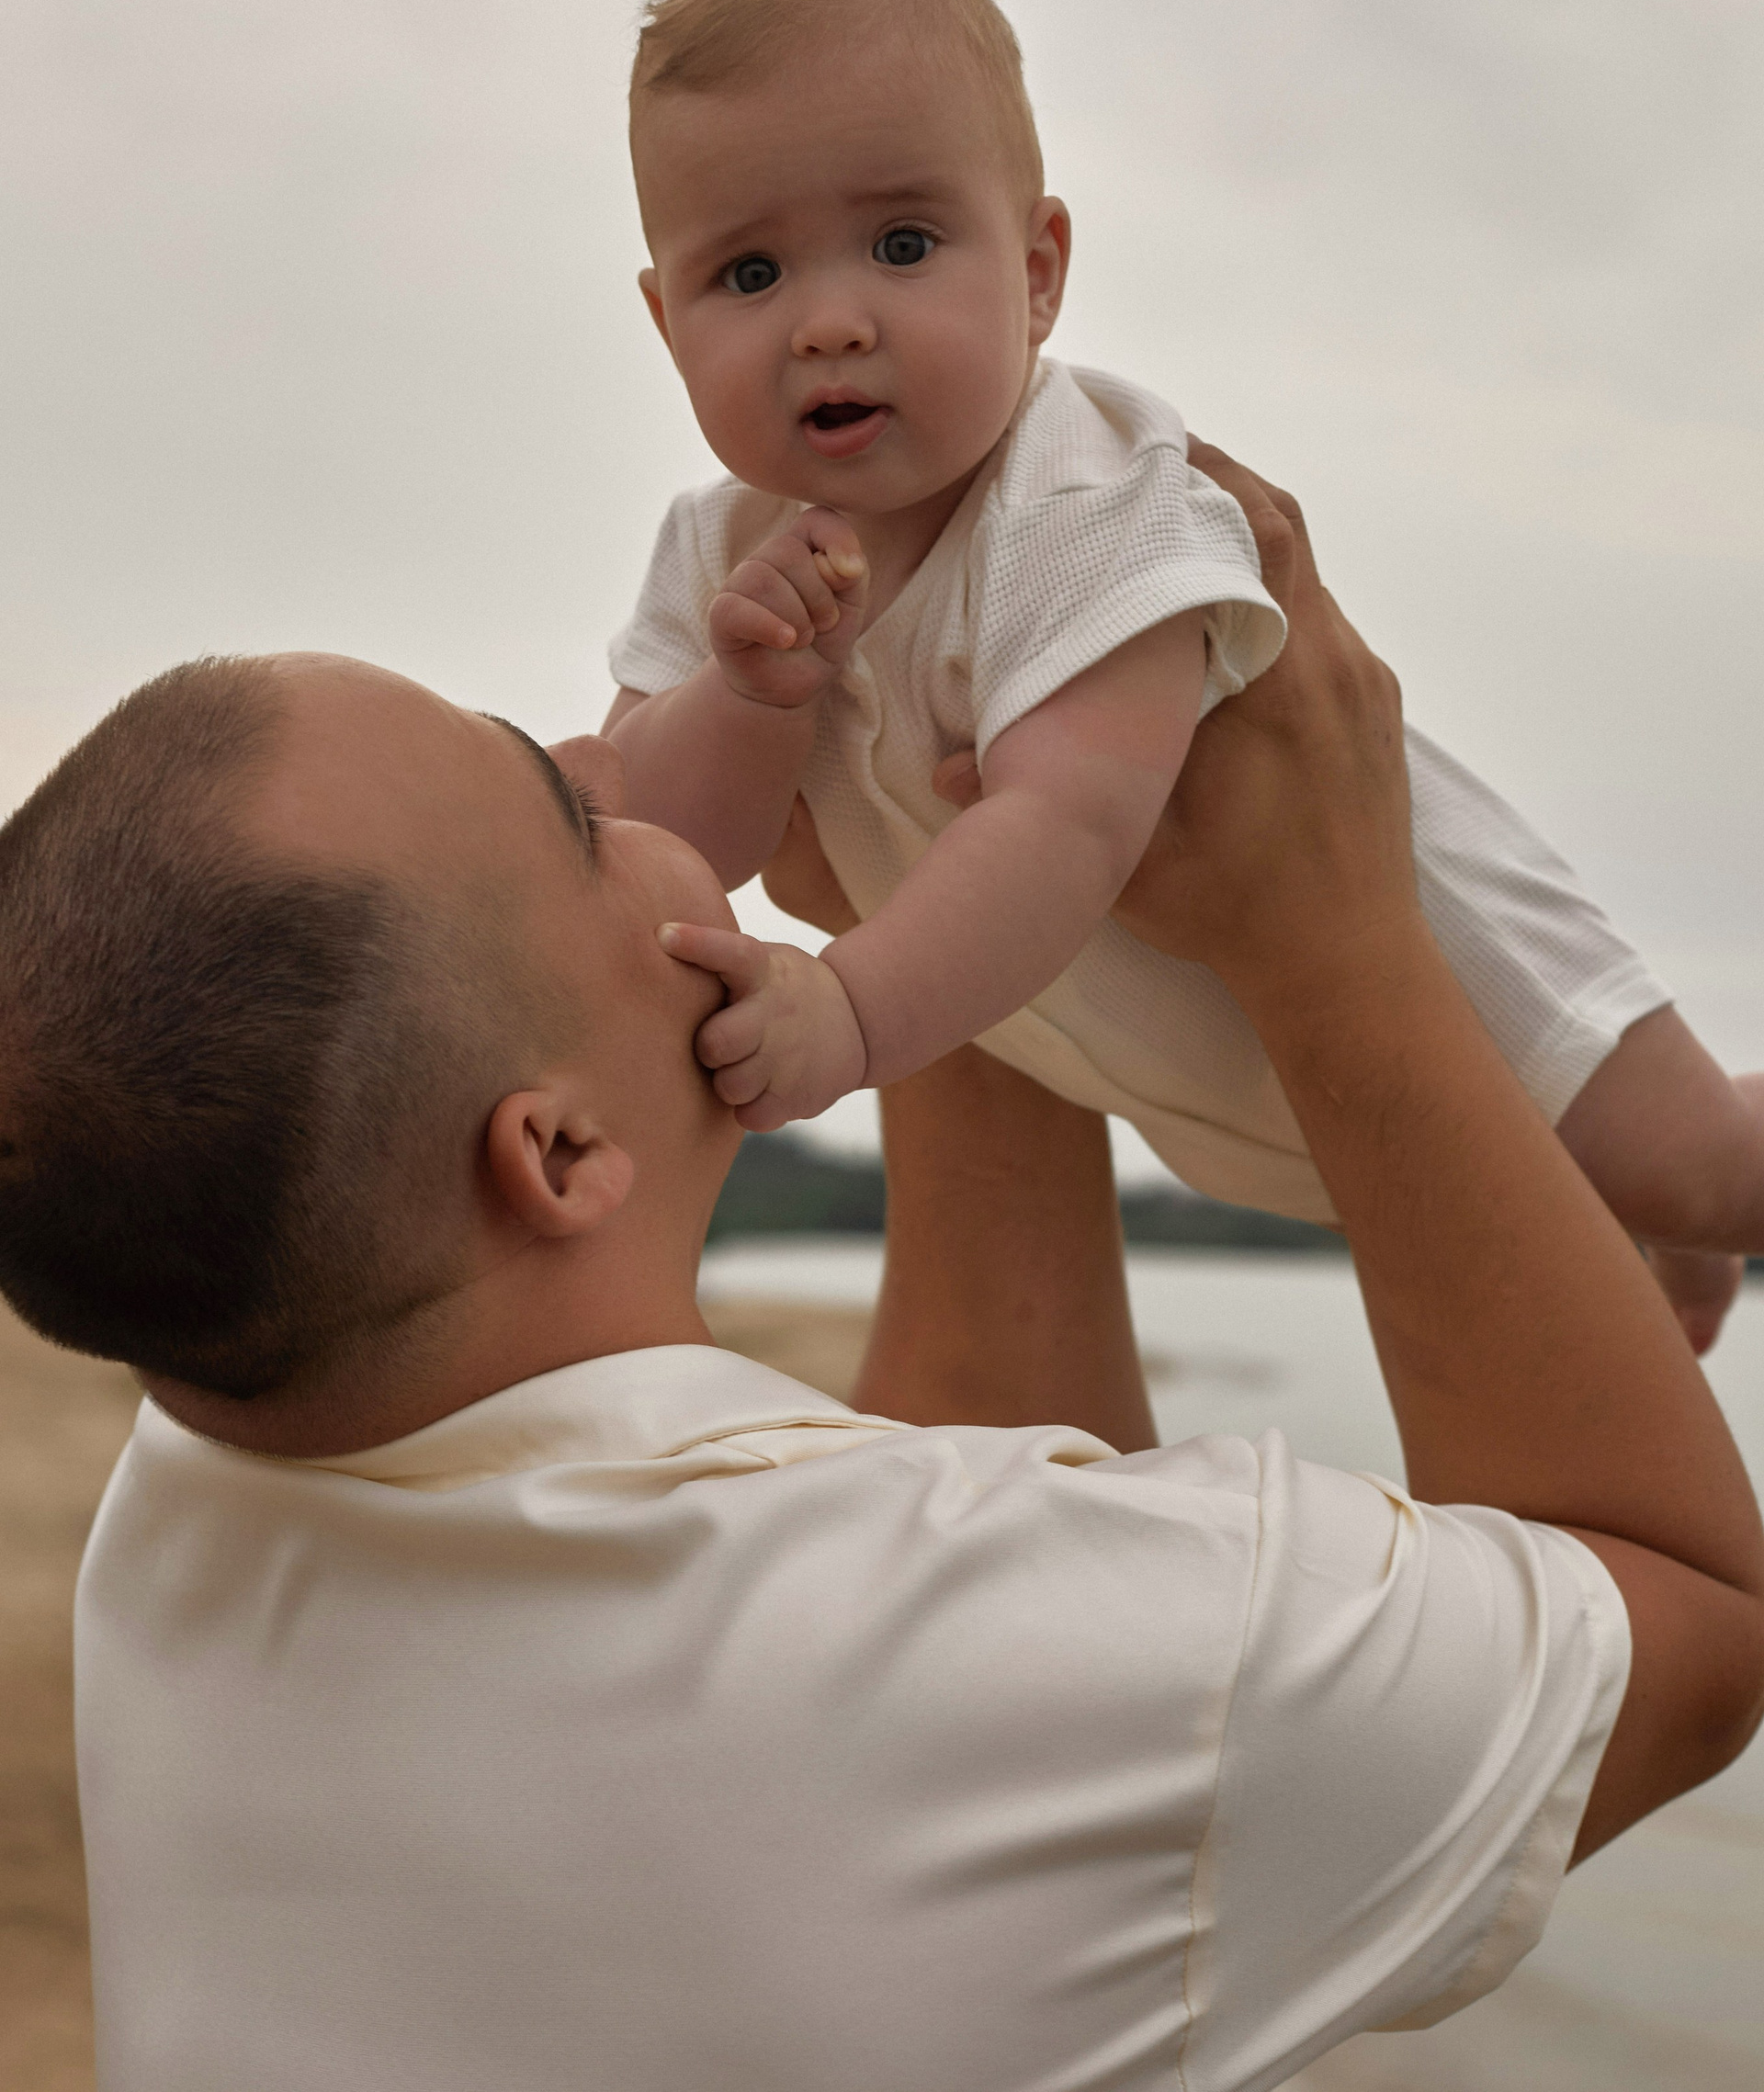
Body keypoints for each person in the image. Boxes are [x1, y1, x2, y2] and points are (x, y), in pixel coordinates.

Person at [0, 458, 1759, 2089]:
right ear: (560, 1154)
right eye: (566, 817)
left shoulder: (202, 1481)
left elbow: (949, 1497)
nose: (609, 763)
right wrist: (1338, 930)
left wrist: (939, 902)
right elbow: (1685, 1621)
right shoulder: (1019, 1664)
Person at [590, 0, 1763, 1350]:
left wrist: (849, 1012)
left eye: (901, 242)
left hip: (1458, 988)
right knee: (1518, 1201)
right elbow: (660, 843)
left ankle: (1686, 1208)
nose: (828, 321)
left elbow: (1067, 824)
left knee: (1707, 1165)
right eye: (751, 274)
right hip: (1198, 1086)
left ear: (1037, 273)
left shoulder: (1086, 490)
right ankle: (1652, 1229)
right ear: (667, 322)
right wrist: (748, 698)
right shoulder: (717, 553)